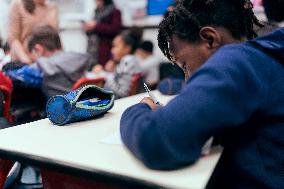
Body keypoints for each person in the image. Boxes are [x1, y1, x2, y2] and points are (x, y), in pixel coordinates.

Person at [120, 0, 284, 189]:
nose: (188, 79)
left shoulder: (237, 61)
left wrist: (141, 108)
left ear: (209, 39)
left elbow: (155, 140)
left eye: (185, 65)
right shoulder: (263, 55)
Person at [6, 25, 91, 99]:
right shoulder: (76, 59)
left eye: (33, 58)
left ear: (38, 49)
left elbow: (11, 77)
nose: (33, 62)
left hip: (62, 114)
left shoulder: (44, 67)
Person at [91, 28, 143, 98]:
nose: (112, 50)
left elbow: (122, 92)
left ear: (127, 48)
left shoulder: (127, 61)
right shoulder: (132, 59)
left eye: (115, 46)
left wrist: (103, 74)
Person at [8, 0, 59, 64]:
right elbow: (13, 39)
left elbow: (56, 38)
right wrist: (27, 61)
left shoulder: (52, 7)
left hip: (49, 63)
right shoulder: (18, 4)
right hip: (24, 62)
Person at [83, 0, 122, 67]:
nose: (96, 2)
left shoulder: (115, 11)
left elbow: (115, 29)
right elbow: (94, 32)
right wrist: (88, 29)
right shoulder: (97, 12)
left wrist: (96, 26)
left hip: (105, 51)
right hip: (93, 51)